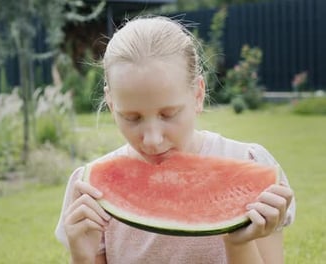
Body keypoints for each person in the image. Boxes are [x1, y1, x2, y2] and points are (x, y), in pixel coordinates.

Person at [54, 16, 295, 264]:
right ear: (111, 103)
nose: (153, 140)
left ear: (198, 94)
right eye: (132, 117)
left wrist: (238, 243)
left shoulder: (252, 166)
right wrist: (82, 257)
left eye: (168, 114)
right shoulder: (91, 193)